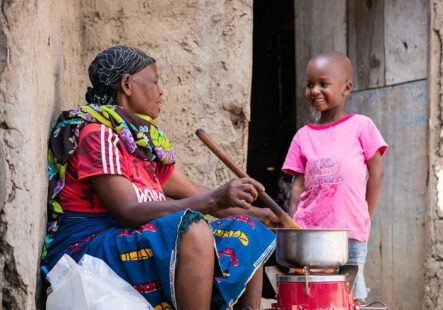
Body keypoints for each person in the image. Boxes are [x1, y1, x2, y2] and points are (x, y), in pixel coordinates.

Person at [42, 46, 279, 310]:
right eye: (154, 82)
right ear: (128, 84)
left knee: (247, 230)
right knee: (193, 228)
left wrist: (259, 213)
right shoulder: (99, 135)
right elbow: (128, 211)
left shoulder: (139, 142)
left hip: (132, 239)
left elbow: (192, 192)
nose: (160, 91)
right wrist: (214, 200)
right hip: (90, 247)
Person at [281, 51, 387, 303]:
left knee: (349, 294)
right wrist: (293, 224)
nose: (315, 90)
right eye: (309, 85)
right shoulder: (303, 136)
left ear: (346, 88)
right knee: (313, 292)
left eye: (323, 84)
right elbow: (297, 185)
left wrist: (365, 216)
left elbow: (377, 172)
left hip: (349, 230)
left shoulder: (362, 126)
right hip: (310, 233)